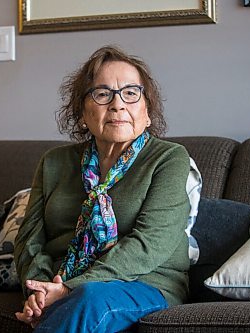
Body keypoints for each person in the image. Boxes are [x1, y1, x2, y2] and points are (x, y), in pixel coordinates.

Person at [13, 45, 191, 332]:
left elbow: (150, 243)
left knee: (91, 299)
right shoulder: (54, 162)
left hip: (145, 282)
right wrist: (39, 289)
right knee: (85, 298)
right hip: (62, 280)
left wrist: (71, 288)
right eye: (102, 94)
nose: (118, 104)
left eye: (131, 93)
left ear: (147, 111)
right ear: (83, 112)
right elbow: (29, 240)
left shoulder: (168, 158)